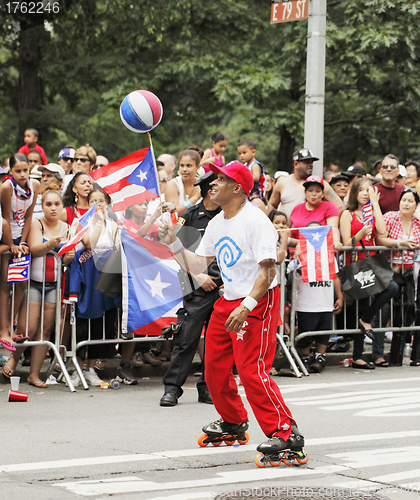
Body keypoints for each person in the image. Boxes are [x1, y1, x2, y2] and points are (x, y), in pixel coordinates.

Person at [158, 160, 304, 457]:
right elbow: (197, 265)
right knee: (213, 368)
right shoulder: (216, 222)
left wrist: (247, 306)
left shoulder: (256, 220)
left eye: (220, 179)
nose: (212, 183)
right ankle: (233, 421)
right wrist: (173, 242)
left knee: (251, 371)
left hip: (257, 300)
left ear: (237, 188)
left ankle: (286, 433)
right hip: (229, 300)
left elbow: (269, 272)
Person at [160, 172, 222, 407]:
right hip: (195, 286)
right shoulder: (190, 218)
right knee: (185, 339)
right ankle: (173, 388)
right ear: (209, 191)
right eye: (217, 187)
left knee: (216, 343)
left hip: (220, 286)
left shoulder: (228, 218)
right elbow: (176, 250)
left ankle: (207, 387)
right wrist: (198, 277)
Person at [2, 186, 74, 385]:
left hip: (54, 284)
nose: (53, 208)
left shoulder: (66, 226)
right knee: (28, 328)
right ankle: (14, 359)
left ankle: (34, 375)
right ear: (42, 206)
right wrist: (50, 245)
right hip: (34, 283)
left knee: (44, 331)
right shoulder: (36, 222)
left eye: (57, 204)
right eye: (48, 204)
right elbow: (34, 249)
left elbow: (65, 261)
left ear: (62, 207)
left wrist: (68, 257)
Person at [340, 178, 398, 368]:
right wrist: (359, 234)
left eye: (369, 190)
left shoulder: (371, 212)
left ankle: (366, 320)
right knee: (362, 305)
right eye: (362, 190)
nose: (365, 193)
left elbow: (382, 231)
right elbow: (345, 244)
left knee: (392, 287)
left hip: (373, 263)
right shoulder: (347, 214)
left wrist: (375, 205)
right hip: (357, 263)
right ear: (355, 192)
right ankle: (357, 356)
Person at [67, 185, 120, 387]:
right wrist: (96, 220)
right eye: (93, 201)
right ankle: (77, 368)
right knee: (81, 327)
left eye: (101, 201)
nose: (97, 205)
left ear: (107, 203)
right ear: (86, 204)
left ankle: (90, 369)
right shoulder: (80, 223)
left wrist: (106, 220)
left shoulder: (113, 224)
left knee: (100, 326)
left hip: (105, 282)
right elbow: (89, 243)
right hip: (85, 282)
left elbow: (115, 246)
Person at [376, 187, 420, 366]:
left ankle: (398, 357)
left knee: (407, 312)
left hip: (410, 274)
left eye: (410, 201)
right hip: (388, 272)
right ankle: (379, 355)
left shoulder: (418, 223)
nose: (406, 204)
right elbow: (379, 239)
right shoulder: (390, 217)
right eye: (404, 200)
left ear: (416, 205)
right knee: (384, 311)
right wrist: (399, 243)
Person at [0, 153, 40, 351]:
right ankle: (3, 331)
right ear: (10, 171)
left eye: (25, 170)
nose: (23, 174)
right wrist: (11, 243)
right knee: (5, 286)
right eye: (18, 171)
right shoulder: (7, 187)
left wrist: (23, 242)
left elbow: (30, 215)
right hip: (7, 237)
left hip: (22, 238)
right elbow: (5, 217)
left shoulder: (35, 186)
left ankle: (11, 325)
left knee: (22, 284)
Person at [294, 222, 343, 374]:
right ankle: (305, 356)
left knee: (323, 332)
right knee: (306, 332)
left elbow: (335, 277)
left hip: (325, 302)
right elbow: (294, 274)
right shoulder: (300, 254)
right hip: (306, 303)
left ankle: (320, 356)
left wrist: (339, 296)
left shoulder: (328, 255)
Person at [268, 148, 344, 219]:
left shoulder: (320, 184)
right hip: (287, 231)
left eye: (311, 162)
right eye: (306, 162)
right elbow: (272, 205)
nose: (310, 165)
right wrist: (275, 223)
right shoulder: (282, 183)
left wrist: (324, 222)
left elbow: (340, 206)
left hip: (312, 232)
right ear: (296, 164)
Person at [165, 149, 202, 216]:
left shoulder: (202, 184)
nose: (184, 169)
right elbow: (174, 213)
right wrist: (195, 198)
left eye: (188, 166)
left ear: (198, 167)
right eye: (182, 165)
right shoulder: (172, 184)